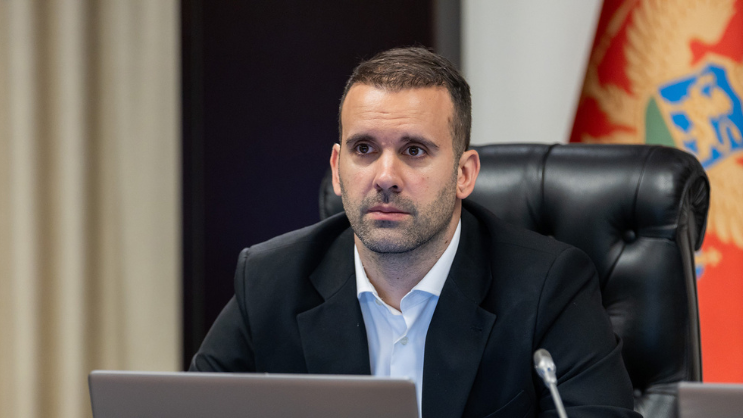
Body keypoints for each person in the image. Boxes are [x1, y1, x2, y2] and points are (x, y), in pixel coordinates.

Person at [190, 47, 640, 418]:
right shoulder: (268, 282)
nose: (386, 176)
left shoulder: (549, 288)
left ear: (464, 174)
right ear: (337, 169)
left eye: (414, 150)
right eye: (364, 148)